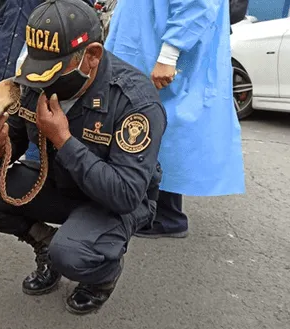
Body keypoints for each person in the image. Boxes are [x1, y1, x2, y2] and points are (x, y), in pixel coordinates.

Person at [0, 0, 166, 315]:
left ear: (93, 55)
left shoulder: (133, 100)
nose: (44, 81)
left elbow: (126, 194)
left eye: (54, 70)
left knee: (71, 254)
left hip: (114, 199)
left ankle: (102, 277)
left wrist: (63, 139)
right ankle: (45, 242)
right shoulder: (38, 80)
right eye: (39, 69)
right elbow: (13, 145)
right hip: (61, 182)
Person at [104, 0, 246, 239]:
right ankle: (151, 209)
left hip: (160, 53)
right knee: (157, 132)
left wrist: (169, 54)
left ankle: (165, 215)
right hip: (149, 46)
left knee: (163, 133)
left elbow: (197, 5)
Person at [0, 0, 45, 162]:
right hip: (5, 55)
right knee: (0, 114)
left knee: (27, 116)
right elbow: (1, 15)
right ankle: (2, 156)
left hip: (32, 60)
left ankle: (29, 161)